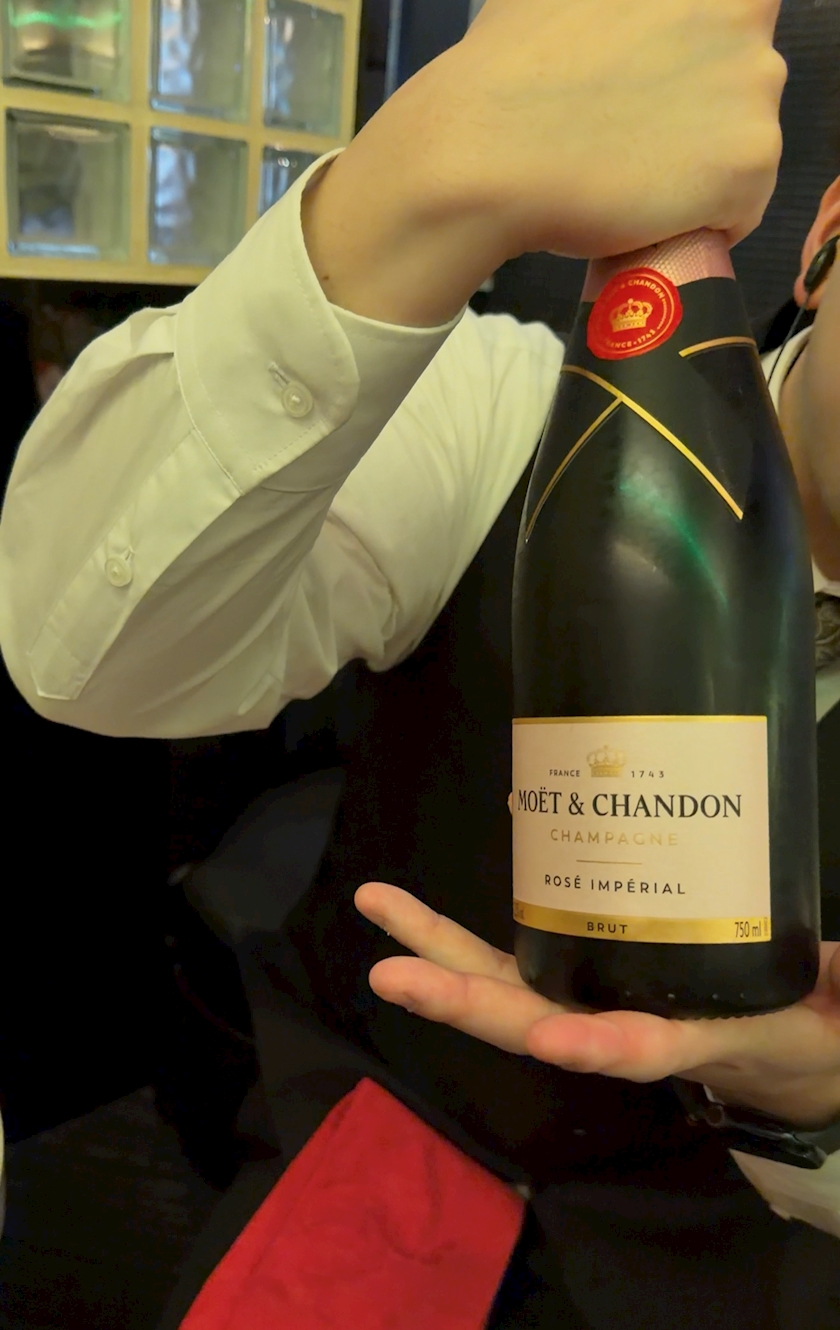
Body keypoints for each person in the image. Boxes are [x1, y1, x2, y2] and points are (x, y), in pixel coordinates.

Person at [1, 0, 840, 1324]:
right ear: (829, 238)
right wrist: (429, 167)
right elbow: (88, 652)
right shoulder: (505, 406)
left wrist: (827, 1109)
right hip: (372, 1187)